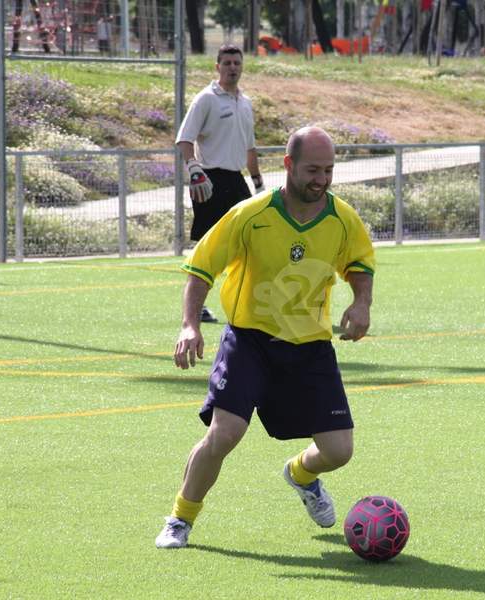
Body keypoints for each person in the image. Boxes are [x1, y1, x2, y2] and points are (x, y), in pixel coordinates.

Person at [155, 126, 376, 549]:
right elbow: (201, 267)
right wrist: (190, 325)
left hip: (310, 349)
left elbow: (360, 264)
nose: (322, 179)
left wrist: (361, 301)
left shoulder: (342, 218)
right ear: (288, 165)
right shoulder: (251, 214)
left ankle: (301, 475)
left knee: (338, 451)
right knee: (224, 434)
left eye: (329, 170)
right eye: (313, 169)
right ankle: (180, 519)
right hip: (250, 342)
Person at [176, 43, 264, 323]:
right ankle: (196, 307)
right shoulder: (206, 99)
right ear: (217, 67)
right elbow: (184, 139)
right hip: (209, 179)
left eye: (236, 63)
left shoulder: (246, 102)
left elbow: (249, 148)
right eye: (226, 63)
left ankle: (250, 300)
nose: (232, 68)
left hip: (237, 181)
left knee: (251, 239)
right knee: (207, 245)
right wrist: (194, 170)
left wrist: (258, 181)